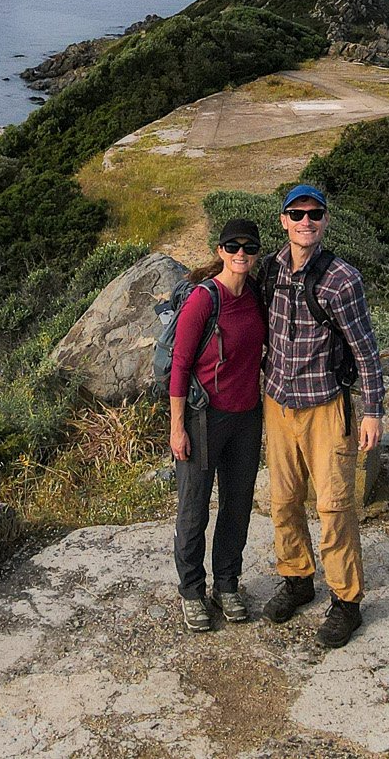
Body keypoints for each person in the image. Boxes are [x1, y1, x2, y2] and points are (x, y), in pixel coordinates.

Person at [257, 182, 385, 649]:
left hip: (326, 406)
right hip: (277, 403)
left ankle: (346, 602)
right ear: (283, 221)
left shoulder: (342, 279)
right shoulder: (268, 270)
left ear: (326, 220)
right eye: (297, 214)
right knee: (284, 501)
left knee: (333, 506)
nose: (305, 222)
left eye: (314, 214)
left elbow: (366, 351)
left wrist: (372, 411)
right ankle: (297, 579)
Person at [167, 216, 269, 632]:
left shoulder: (257, 296)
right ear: (219, 250)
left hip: (247, 417)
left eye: (248, 248)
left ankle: (227, 584)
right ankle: (192, 590)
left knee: (237, 505)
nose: (240, 254)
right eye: (232, 247)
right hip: (203, 417)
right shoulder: (205, 300)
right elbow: (179, 365)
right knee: (194, 510)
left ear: (256, 254)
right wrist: (177, 427)